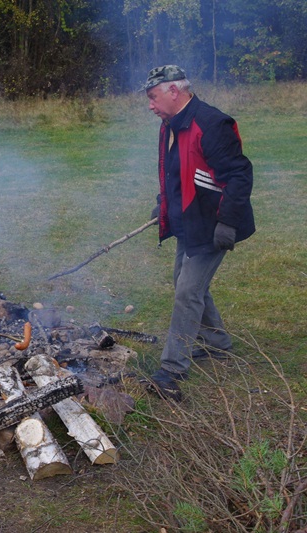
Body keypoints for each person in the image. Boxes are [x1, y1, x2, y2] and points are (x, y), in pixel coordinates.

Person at [142, 65, 254, 401]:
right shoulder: (171, 125)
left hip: (212, 223)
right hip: (188, 220)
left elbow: (239, 175)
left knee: (188, 291)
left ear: (174, 91)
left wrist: (228, 222)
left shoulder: (211, 123)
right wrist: (163, 204)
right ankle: (217, 343)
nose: (150, 105)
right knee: (184, 282)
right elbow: (175, 172)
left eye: (153, 97)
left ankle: (171, 370)